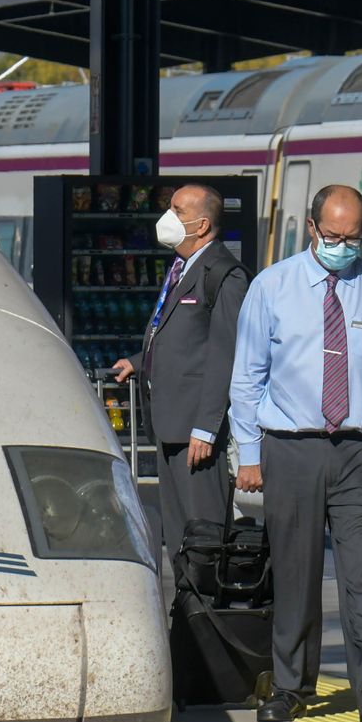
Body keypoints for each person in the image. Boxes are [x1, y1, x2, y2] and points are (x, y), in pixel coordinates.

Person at [228, 185, 362, 722]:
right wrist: (248, 453)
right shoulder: (272, 287)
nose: (344, 246)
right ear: (312, 229)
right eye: (334, 236)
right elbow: (246, 377)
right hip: (290, 448)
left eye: (354, 237)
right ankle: (292, 685)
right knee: (295, 571)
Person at [113, 184, 249, 570]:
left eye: (178, 210)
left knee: (202, 532)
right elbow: (179, 335)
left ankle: (206, 612)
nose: (167, 218)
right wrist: (139, 362)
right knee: (176, 533)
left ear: (203, 224)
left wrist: (206, 427)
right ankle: (185, 609)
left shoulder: (224, 274)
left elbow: (225, 354)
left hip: (196, 431)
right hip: (170, 422)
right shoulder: (182, 266)